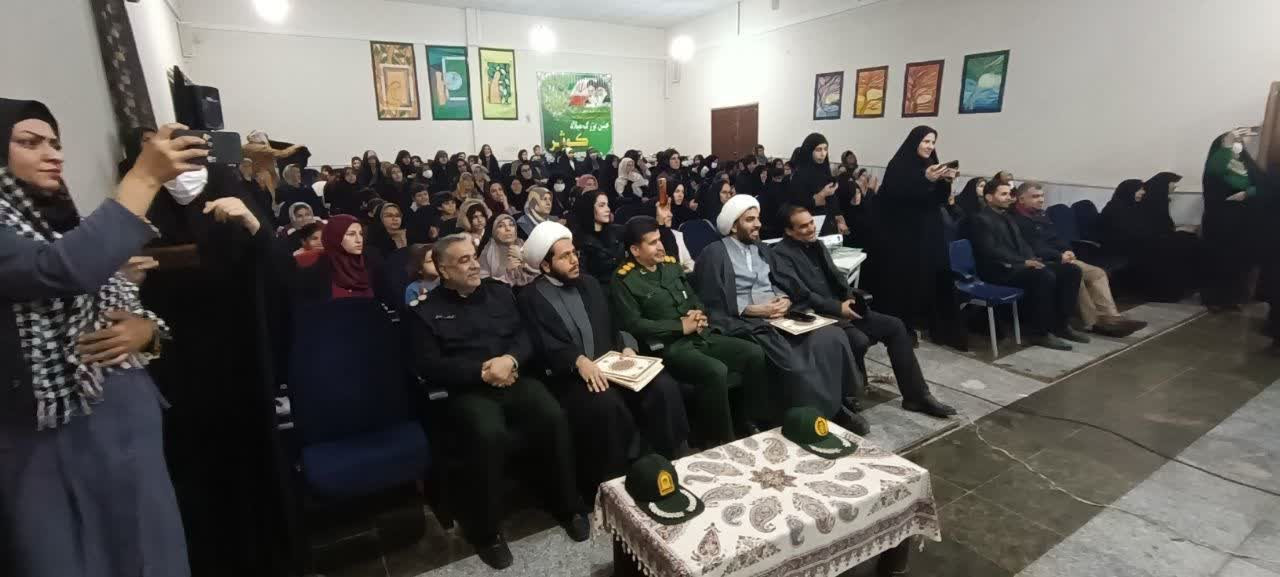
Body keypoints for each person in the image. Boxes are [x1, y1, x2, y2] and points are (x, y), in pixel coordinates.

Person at [0, 101, 205, 577]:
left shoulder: (61, 225)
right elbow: (59, 271)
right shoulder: (30, 239)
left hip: (124, 438)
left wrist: (145, 332)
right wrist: (143, 179)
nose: (53, 154)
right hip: (49, 446)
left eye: (55, 143)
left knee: (150, 554)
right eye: (29, 143)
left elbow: (149, 331)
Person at [409, 234, 589, 569]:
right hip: (468, 390)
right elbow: (429, 365)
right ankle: (487, 531)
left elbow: (526, 336)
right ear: (443, 270)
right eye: (463, 260)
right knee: (488, 434)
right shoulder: (425, 311)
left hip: (515, 377)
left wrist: (510, 360)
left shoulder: (500, 293)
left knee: (551, 415)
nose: (473, 265)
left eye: (474, 257)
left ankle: (568, 506)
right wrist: (481, 372)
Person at [517, 222, 689, 500]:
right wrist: (577, 360)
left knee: (663, 386)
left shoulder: (590, 283)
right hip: (571, 376)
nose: (575, 260)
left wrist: (627, 347)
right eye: (565, 256)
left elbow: (615, 323)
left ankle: (667, 463)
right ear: (546, 266)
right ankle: (620, 483)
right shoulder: (530, 297)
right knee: (607, 405)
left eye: (574, 253)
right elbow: (542, 344)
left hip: (613, 365)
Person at [692, 195, 867, 433]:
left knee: (832, 337)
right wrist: (749, 308)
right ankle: (808, 416)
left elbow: (781, 281)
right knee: (795, 363)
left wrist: (784, 299)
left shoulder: (763, 249)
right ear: (733, 226)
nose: (758, 224)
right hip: (744, 321)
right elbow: (710, 299)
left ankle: (837, 406)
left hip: (781, 316)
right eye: (750, 220)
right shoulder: (714, 253)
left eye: (758, 219)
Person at [770, 205, 957, 418]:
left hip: (842, 309)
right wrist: (838, 308)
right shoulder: (780, 255)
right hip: (815, 315)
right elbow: (800, 294)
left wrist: (850, 296)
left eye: (811, 222)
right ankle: (847, 395)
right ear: (789, 231)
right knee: (858, 340)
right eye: (803, 226)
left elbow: (837, 277)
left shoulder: (817, 244)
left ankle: (917, 395)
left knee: (895, 326)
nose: (811, 228)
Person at [611, 217, 765, 442]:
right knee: (716, 370)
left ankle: (750, 420)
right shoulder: (624, 279)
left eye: (659, 239)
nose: (660, 246)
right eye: (652, 243)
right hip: (668, 348)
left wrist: (698, 312)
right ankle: (721, 438)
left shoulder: (671, 265)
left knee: (754, 353)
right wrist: (679, 327)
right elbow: (634, 324)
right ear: (635, 250)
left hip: (701, 335)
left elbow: (694, 297)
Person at [869, 126, 964, 348]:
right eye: (925, 141)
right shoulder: (899, 165)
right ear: (915, 142)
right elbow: (897, 196)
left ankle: (932, 324)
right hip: (903, 233)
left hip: (928, 230)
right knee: (905, 279)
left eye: (933, 142)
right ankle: (902, 326)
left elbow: (938, 199)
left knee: (930, 276)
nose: (930, 146)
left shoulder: (932, 164)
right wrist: (925, 179)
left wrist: (945, 181)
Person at [1012, 182, 1148, 337]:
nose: (1041, 200)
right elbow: (1032, 247)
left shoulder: (1041, 215)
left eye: (1042, 196)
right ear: (1021, 199)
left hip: (1060, 257)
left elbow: (1056, 238)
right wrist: (1059, 256)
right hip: (1041, 261)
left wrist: (1067, 249)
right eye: (1035, 196)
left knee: (1097, 273)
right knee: (1076, 273)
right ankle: (1093, 322)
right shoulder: (1016, 220)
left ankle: (1111, 318)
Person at [970, 182, 1086, 350]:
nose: (1009, 198)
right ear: (989, 197)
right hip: (999, 270)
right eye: (1003, 194)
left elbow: (1022, 244)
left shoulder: (1006, 216)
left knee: (1071, 270)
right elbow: (991, 250)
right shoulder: (980, 219)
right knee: (1043, 276)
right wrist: (1023, 262)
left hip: (1018, 265)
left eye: (1010, 194)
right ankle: (1039, 332)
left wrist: (1032, 258)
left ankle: (1061, 325)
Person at [1098, 179, 1198, 302]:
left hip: (1139, 242)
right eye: (1139, 189)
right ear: (1128, 191)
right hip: (1123, 247)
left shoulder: (1134, 207)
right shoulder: (1114, 209)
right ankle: (1164, 293)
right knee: (1169, 247)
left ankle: (1186, 287)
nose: (1143, 192)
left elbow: (1144, 229)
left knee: (1185, 239)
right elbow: (1126, 234)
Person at [1202, 130, 1256, 311]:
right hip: (1220, 220)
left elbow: (1261, 184)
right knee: (1218, 259)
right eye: (1231, 144)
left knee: (1238, 260)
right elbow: (1214, 180)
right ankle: (1214, 299)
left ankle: (1234, 297)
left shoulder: (1246, 165)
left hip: (1242, 220)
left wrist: (1247, 193)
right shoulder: (1216, 165)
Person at [293, 214, 383, 303]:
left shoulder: (372, 263)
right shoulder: (312, 273)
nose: (358, 240)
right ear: (335, 236)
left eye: (361, 234)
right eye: (351, 234)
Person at [787, 133, 848, 236]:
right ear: (809, 150)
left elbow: (832, 200)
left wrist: (839, 218)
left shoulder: (825, 171)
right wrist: (822, 194)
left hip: (828, 226)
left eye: (825, 149)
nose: (823, 154)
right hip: (808, 227)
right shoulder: (800, 175)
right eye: (818, 150)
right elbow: (797, 204)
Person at [570, 190, 626, 291]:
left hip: (624, 284)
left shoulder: (617, 231)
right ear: (589, 208)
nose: (608, 209)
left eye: (607, 205)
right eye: (601, 205)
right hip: (601, 290)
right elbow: (583, 278)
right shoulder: (579, 241)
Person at [478, 214, 537, 287]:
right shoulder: (487, 252)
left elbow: (541, 270)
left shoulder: (524, 245)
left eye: (511, 225)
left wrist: (524, 258)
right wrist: (506, 272)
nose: (508, 229)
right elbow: (484, 284)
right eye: (501, 226)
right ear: (494, 231)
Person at [243, 130, 303, 198]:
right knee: (271, 198)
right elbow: (282, 153)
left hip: (253, 179)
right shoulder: (261, 148)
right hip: (265, 178)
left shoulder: (244, 148)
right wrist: (295, 147)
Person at [403, 243, 439, 307]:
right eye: (430, 261)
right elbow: (412, 310)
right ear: (419, 269)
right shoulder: (412, 288)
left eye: (437, 259)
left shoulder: (447, 281)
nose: (436, 262)